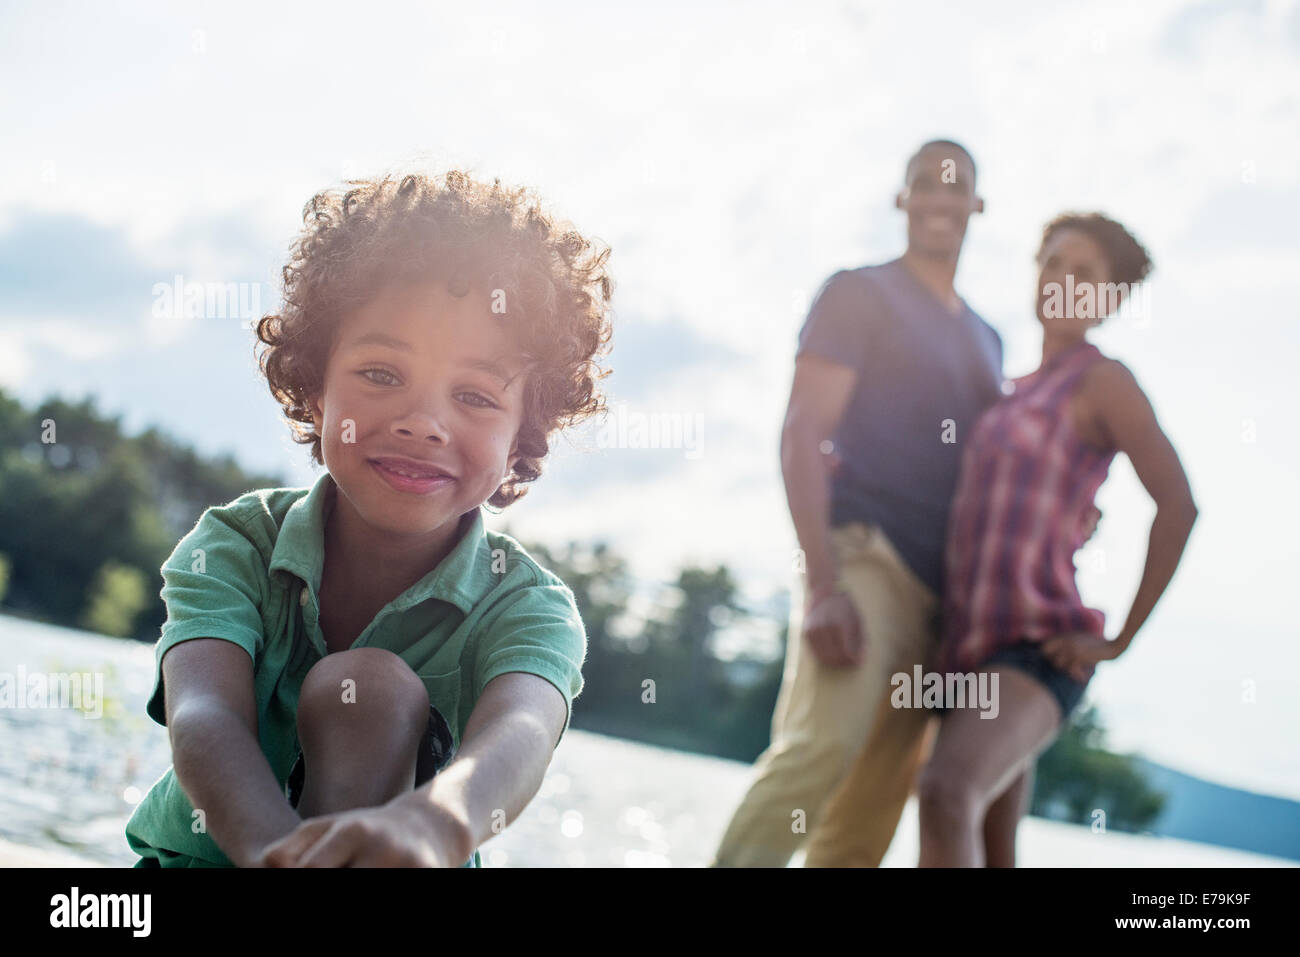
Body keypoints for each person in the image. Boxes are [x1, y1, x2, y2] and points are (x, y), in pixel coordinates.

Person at [124, 170, 613, 867]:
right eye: (382, 374)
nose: (423, 423)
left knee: (371, 688)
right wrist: (281, 856)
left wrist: (435, 825)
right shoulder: (234, 546)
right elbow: (204, 714)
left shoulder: (528, 608)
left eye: (475, 395)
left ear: (520, 440)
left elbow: (523, 732)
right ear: (315, 391)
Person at [711, 140, 1004, 867]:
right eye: (923, 185)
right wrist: (825, 585)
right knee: (821, 752)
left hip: (945, 605)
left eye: (955, 185)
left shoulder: (989, 340)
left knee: (871, 811)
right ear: (901, 201)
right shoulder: (858, 293)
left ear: (977, 205)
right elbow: (803, 429)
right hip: (864, 557)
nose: (939, 198)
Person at [915, 212, 1197, 866]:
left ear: (1112, 299)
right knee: (990, 843)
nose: (1062, 280)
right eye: (1053, 262)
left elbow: (1178, 504)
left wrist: (1117, 639)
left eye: (1086, 273)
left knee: (944, 791)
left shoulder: (1104, 381)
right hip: (965, 654)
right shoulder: (1007, 394)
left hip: (1037, 651)